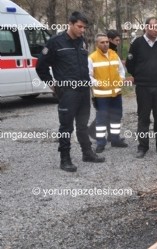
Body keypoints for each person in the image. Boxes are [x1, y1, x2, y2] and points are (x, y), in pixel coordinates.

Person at [36, 11, 105, 172]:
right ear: (70, 24)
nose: (82, 30)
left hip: (83, 91)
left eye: (84, 27)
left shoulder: (82, 42)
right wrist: (52, 84)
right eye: (79, 26)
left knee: (82, 125)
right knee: (66, 127)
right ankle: (65, 158)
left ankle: (87, 153)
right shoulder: (55, 42)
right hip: (67, 92)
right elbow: (41, 66)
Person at [126, 17, 157, 158]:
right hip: (143, 87)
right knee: (143, 118)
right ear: (146, 27)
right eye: (152, 26)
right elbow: (130, 64)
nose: (156, 29)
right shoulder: (137, 43)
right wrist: (140, 77)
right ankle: (143, 147)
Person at [88, 34, 128, 153]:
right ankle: (101, 142)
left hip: (116, 93)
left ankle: (115, 139)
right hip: (102, 95)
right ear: (97, 44)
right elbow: (88, 76)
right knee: (101, 119)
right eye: (102, 42)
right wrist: (98, 83)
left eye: (106, 42)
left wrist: (121, 79)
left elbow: (121, 70)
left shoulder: (114, 54)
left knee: (116, 117)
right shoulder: (92, 58)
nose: (105, 44)